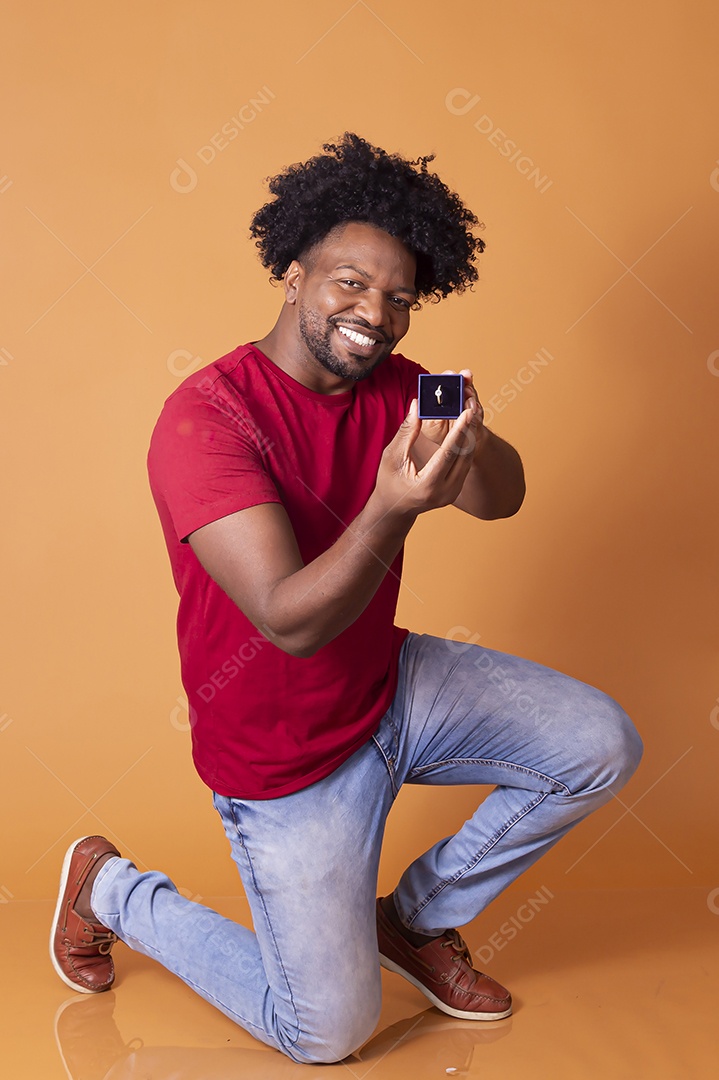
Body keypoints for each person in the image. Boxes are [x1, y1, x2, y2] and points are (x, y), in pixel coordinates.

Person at [50, 133, 643, 1065]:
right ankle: (111, 890)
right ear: (292, 274)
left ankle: (411, 920)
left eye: (400, 297)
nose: (376, 312)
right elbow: (288, 621)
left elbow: (504, 499)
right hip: (284, 751)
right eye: (350, 284)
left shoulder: (400, 388)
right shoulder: (206, 418)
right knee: (325, 1033)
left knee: (597, 743)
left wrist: (470, 442)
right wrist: (391, 508)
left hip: (390, 688)